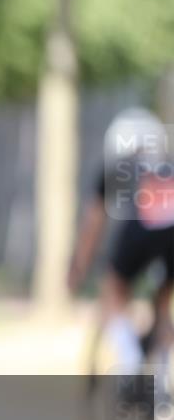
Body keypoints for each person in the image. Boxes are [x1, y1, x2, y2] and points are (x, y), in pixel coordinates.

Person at [70, 107, 174, 383]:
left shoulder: (118, 169)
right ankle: (163, 373)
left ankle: (130, 363)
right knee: (163, 304)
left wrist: (79, 267)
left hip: (141, 230)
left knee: (113, 289)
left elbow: (93, 225)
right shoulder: (168, 167)